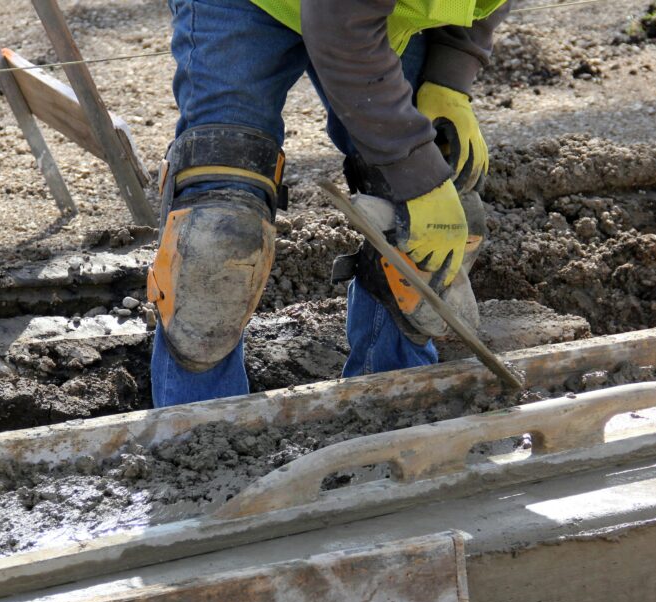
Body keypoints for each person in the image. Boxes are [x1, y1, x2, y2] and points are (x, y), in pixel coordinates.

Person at [147, 0, 510, 407]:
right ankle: (198, 441)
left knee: (425, 226)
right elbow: (337, 27)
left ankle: (398, 407)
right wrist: (419, 178)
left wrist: (449, 78)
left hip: (371, 15)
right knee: (217, 236)